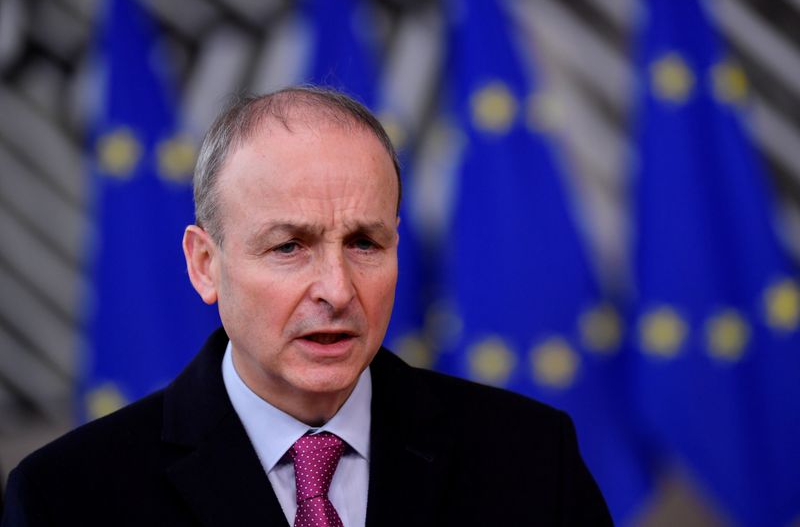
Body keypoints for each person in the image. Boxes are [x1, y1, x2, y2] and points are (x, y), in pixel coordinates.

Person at [1, 87, 612, 526]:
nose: (338, 290)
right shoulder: (68, 497)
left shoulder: (532, 458)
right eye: (290, 246)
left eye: (365, 243)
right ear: (204, 265)